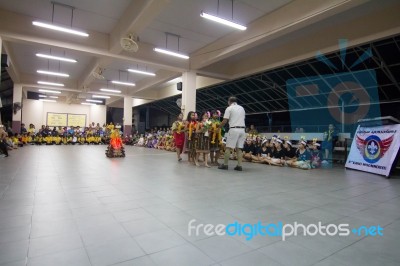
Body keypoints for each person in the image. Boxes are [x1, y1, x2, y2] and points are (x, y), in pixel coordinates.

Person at [218, 96, 246, 171]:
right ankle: (239, 166)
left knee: (228, 147)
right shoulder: (242, 108)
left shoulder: (229, 108)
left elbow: (225, 121)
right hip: (242, 130)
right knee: (239, 148)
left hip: (234, 129)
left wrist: (219, 127)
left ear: (229, 102)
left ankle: (225, 165)